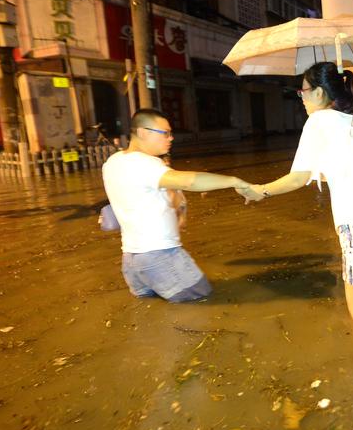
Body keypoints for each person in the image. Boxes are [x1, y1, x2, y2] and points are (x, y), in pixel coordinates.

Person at [239, 62, 353, 322]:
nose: (302, 98)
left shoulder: (319, 121)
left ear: (319, 93)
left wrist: (261, 191)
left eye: (303, 92)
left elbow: (297, 179)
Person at [102, 108, 250, 303]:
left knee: (151, 312)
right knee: (202, 299)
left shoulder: (113, 161)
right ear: (143, 132)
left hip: (131, 260)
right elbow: (189, 181)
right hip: (160, 256)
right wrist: (235, 181)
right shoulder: (144, 164)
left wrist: (179, 211)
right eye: (165, 133)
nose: (170, 138)